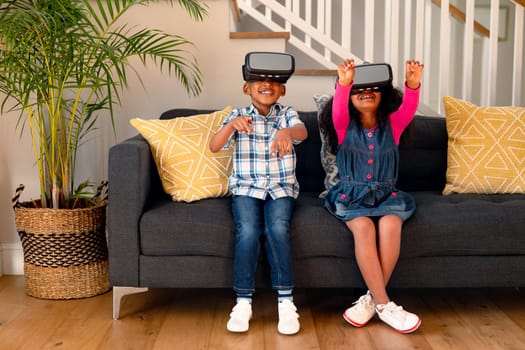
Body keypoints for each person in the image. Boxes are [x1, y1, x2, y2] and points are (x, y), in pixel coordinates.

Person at [322, 58, 424, 333]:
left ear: (384, 95)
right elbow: (339, 108)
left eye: (372, 89)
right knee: (364, 228)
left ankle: (372, 300)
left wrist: (412, 84)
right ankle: (386, 304)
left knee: (391, 223)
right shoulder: (344, 126)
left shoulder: (395, 124)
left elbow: (409, 108)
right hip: (350, 197)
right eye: (358, 90)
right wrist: (344, 83)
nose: (365, 92)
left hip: (386, 195)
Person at [209, 54, 307, 335]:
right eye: (259, 80)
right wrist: (230, 126)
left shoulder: (287, 114)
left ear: (283, 89)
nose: (267, 84)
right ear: (246, 88)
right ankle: (243, 301)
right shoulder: (237, 116)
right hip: (246, 188)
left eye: (275, 81)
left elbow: (303, 132)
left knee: (277, 229)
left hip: (280, 188)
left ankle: (286, 302)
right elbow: (215, 146)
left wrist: (287, 132)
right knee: (249, 231)